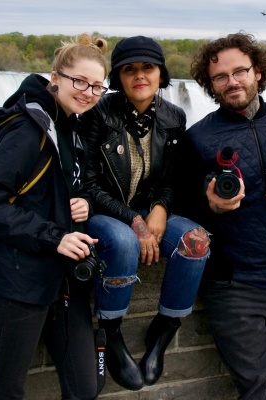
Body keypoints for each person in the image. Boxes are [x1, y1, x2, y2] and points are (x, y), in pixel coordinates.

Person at [0, 34, 108, 400]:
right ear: (55, 78)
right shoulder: (26, 128)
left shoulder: (71, 125)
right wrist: (55, 236)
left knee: (85, 389)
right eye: (79, 81)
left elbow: (54, 190)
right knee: (6, 390)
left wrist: (81, 205)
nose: (88, 92)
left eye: (97, 86)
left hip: (64, 278)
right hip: (21, 278)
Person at [174, 32, 266, 399]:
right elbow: (180, 206)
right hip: (234, 286)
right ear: (210, 84)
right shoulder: (199, 138)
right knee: (257, 390)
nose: (231, 82)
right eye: (220, 77)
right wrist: (209, 204)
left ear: (258, 72)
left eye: (240, 71)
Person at [76, 36, 210, 391]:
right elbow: (88, 184)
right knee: (123, 243)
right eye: (129, 69)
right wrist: (134, 220)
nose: (139, 76)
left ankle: (165, 330)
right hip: (105, 212)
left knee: (196, 240)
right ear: (117, 77)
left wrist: (161, 210)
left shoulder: (173, 117)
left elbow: (171, 177)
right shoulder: (97, 113)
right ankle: (110, 331)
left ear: (160, 73)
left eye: (147, 68)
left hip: (149, 210)